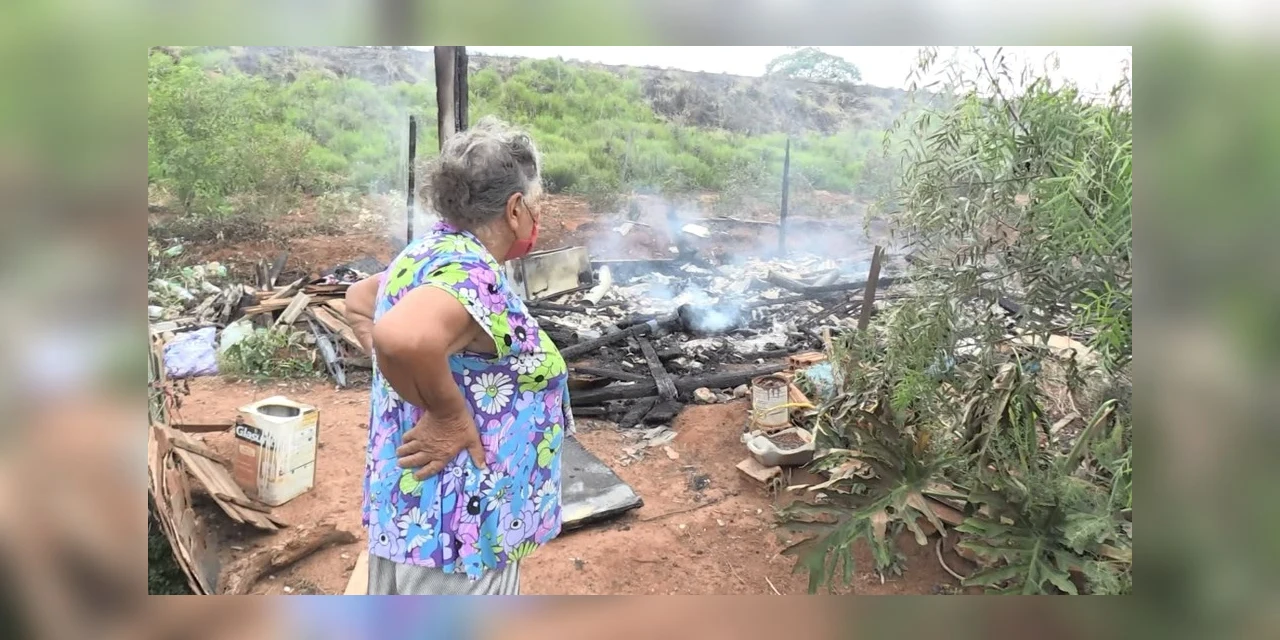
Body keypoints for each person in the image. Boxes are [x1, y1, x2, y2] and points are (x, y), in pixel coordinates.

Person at [343, 117, 570, 595]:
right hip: (460, 537)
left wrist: (402, 382)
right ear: (514, 209)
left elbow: (361, 300)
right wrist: (446, 415)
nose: (536, 219)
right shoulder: (472, 276)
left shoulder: (427, 252)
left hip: (410, 515)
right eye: (536, 207)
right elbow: (404, 336)